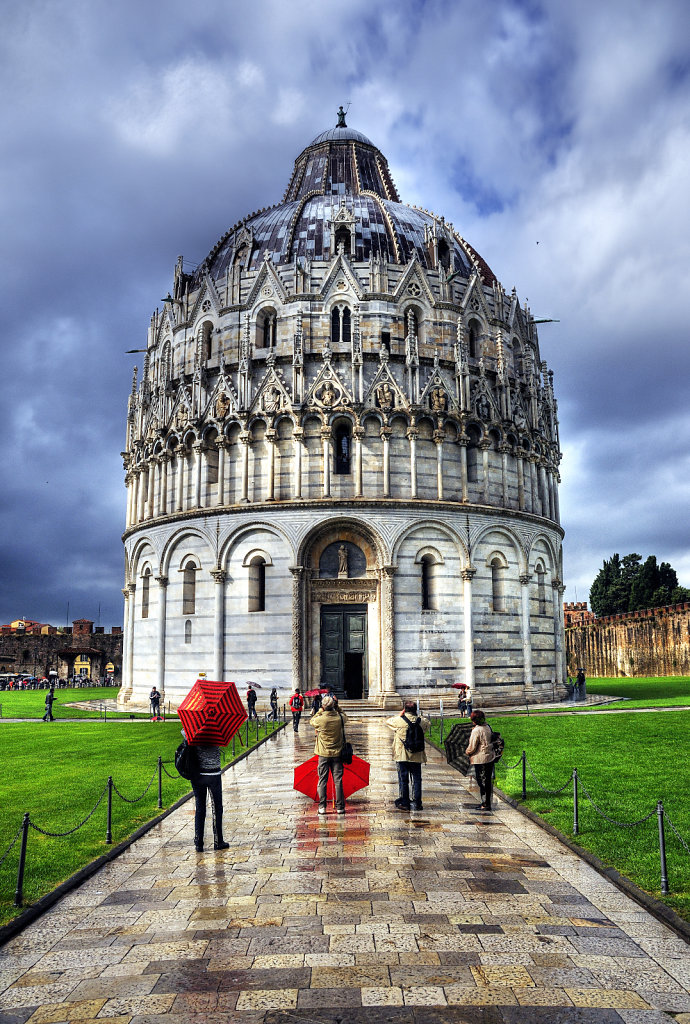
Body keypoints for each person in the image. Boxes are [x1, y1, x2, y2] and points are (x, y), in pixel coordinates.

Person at [185, 735, 229, 852]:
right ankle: (218, 841)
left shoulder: (193, 731)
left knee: (200, 808)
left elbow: (184, 734)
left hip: (198, 774)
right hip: (213, 774)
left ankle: (199, 842)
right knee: (217, 808)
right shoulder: (216, 730)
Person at [386, 700, 430, 811]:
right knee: (417, 779)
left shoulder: (398, 721)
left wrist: (401, 714)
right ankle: (418, 803)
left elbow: (388, 721)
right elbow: (428, 724)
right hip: (417, 755)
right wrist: (417, 716)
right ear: (415, 710)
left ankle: (405, 802)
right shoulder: (422, 721)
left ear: (405, 709)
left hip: (402, 755)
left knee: (403, 779)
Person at [310, 695, 347, 814]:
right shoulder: (340, 718)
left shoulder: (320, 719)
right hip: (337, 753)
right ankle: (340, 807)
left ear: (323, 706)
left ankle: (322, 807)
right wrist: (339, 708)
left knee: (322, 780)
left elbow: (312, 721)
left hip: (323, 753)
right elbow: (345, 717)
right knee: (338, 781)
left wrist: (319, 711)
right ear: (333, 706)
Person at [465, 709, 495, 811]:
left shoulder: (476, 730)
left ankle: (485, 803)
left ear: (474, 720)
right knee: (487, 781)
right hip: (489, 757)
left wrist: (467, 752)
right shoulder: (487, 727)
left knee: (481, 781)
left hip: (480, 759)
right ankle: (486, 802)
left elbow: (472, 747)